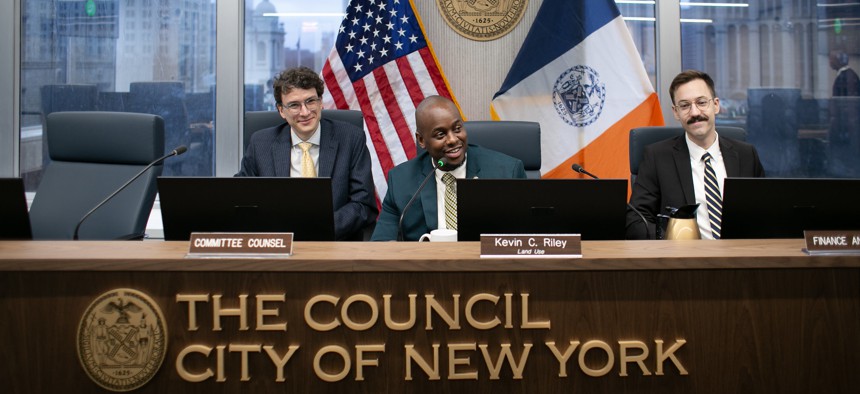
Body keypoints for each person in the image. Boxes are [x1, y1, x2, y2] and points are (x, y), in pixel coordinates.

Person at [236, 67, 377, 240]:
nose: (305, 112)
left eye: (310, 101)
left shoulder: (351, 138)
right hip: (279, 242)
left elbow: (363, 205)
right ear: (281, 111)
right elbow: (242, 200)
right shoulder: (260, 143)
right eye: (294, 105)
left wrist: (318, 229)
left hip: (335, 242)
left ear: (320, 102)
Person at [627, 70, 765, 240]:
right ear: (676, 112)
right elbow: (636, 220)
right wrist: (672, 241)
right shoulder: (657, 157)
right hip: (683, 260)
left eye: (701, 102)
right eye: (685, 106)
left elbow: (763, 215)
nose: (694, 113)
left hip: (738, 258)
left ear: (715, 105)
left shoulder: (746, 155)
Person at [371, 96, 527, 241]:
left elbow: (528, 239)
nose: (453, 139)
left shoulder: (507, 172)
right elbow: (381, 244)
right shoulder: (400, 180)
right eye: (440, 135)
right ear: (421, 140)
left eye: (457, 129)